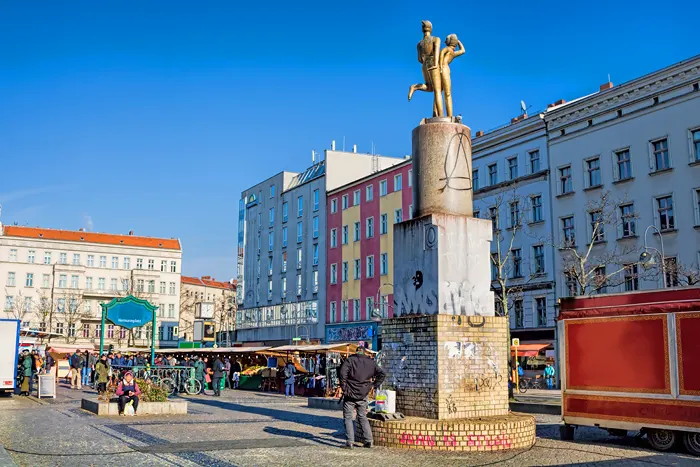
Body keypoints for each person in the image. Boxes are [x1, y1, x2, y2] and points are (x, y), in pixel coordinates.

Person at [339, 345, 386, 449]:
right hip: (363, 393)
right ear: (365, 352)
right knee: (362, 417)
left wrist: (344, 388)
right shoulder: (371, 362)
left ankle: (350, 442)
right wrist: (373, 385)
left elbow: (342, 374)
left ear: (356, 352)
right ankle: (369, 441)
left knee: (348, 417)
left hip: (350, 393)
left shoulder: (350, 360)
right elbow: (382, 374)